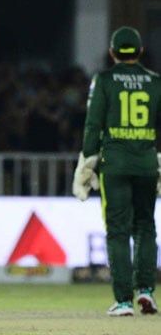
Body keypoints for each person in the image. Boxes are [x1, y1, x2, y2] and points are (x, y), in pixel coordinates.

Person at [73, 26, 159, 317]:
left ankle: (123, 301)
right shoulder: (155, 82)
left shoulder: (105, 80)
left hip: (116, 165)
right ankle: (146, 291)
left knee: (118, 232)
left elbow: (93, 124)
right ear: (140, 52)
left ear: (112, 53)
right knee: (146, 227)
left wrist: (86, 161)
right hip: (147, 164)